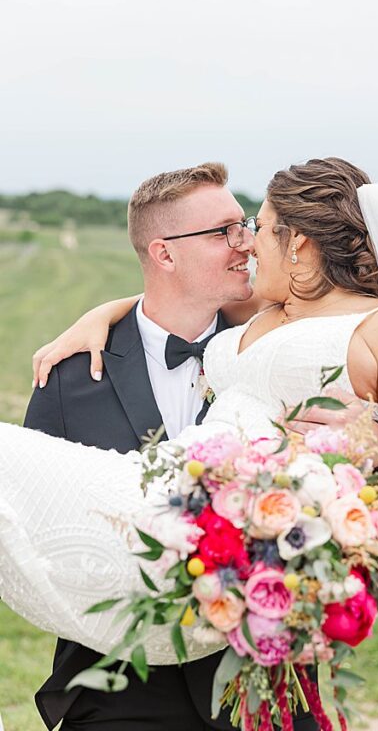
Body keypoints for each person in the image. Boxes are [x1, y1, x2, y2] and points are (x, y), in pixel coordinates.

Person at [1, 157, 378, 729]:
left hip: (259, 614)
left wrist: (317, 551)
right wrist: (102, 315)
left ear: (299, 245)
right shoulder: (260, 314)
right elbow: (165, 300)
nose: (246, 243)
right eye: (234, 230)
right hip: (147, 552)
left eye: (257, 227)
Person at [19, 162, 318, 730]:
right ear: (164, 253)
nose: (246, 243)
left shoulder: (279, 357)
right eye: (223, 232)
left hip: (261, 678)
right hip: (117, 686)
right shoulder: (69, 379)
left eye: (244, 226)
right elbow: (38, 534)